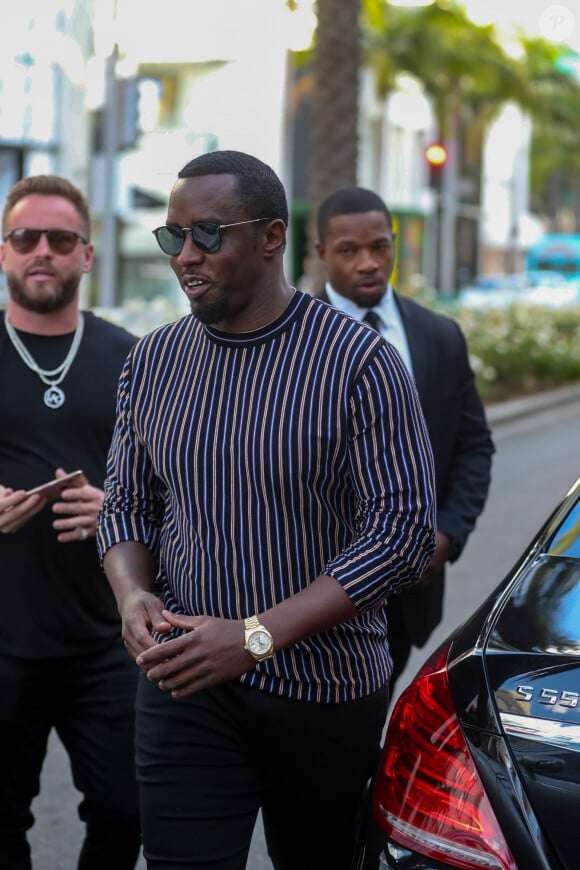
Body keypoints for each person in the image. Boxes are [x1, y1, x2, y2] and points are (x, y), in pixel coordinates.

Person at [97, 149, 436, 870]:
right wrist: (132, 595)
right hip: (183, 680)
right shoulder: (152, 361)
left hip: (323, 691)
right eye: (172, 237)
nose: (185, 256)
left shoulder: (359, 362)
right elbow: (126, 503)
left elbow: (401, 535)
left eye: (208, 236)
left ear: (273, 237)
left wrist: (252, 638)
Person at [0, 175, 141, 869]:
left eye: (61, 239)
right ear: (4, 253)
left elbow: (172, 487)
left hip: (106, 643)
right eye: (26, 238)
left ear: (87, 255)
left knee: (126, 813)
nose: (42, 252)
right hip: (2, 641)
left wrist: (114, 507)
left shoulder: (131, 360)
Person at [314, 186, 495, 697]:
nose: (368, 264)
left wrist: (445, 536)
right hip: (309, 590)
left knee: (376, 722)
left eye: (380, 247)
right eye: (349, 251)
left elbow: (474, 447)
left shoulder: (439, 337)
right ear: (322, 253)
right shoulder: (293, 339)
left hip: (407, 593)